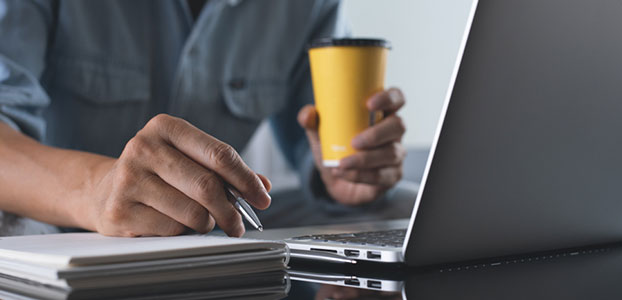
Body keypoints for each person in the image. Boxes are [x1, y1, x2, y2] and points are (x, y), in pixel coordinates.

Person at [0, 0, 413, 237]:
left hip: (205, 242)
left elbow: (319, 144)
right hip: (62, 238)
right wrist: (97, 189)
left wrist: (349, 172)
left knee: (409, 200)